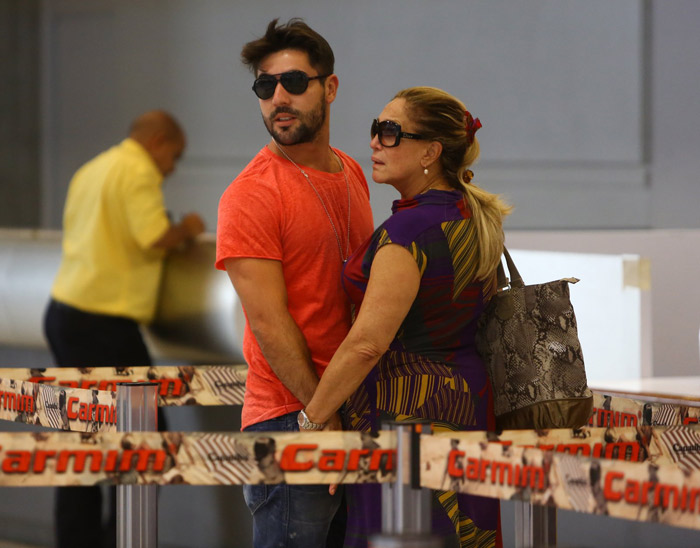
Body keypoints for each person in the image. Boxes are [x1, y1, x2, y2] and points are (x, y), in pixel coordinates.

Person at [301, 87, 512, 548]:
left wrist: (312, 421)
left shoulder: (407, 231)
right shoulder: (471, 213)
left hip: (410, 420)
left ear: (431, 153)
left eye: (391, 132)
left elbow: (366, 344)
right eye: (376, 129)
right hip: (466, 407)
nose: (375, 141)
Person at [215, 18, 374, 548]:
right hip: (293, 416)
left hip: (355, 410)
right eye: (265, 86)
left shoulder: (351, 171)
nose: (278, 97)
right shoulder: (251, 195)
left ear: (329, 86)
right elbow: (267, 322)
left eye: (294, 83)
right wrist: (318, 414)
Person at [44, 110, 205, 548]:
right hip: (102, 322)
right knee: (144, 437)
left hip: (65, 315)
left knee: (84, 440)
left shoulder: (93, 169)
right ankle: (122, 540)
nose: (172, 167)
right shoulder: (137, 171)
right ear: (157, 141)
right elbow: (153, 236)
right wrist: (188, 228)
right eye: (175, 155)